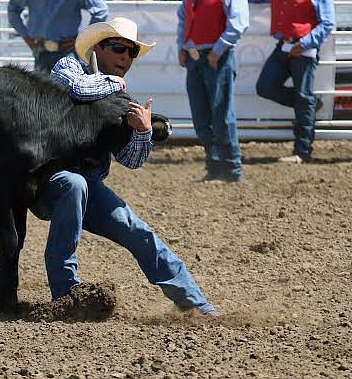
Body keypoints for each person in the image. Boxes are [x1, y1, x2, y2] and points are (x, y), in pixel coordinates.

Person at [33, 17, 217, 315]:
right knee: (75, 185)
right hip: (44, 177)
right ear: (97, 47)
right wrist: (116, 83)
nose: (126, 58)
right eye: (119, 49)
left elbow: (131, 160)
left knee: (137, 231)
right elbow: (77, 89)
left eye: (131, 53)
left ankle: (196, 305)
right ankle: (66, 295)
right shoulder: (68, 67)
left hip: (87, 182)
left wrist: (143, 131)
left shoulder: (118, 99)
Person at [246, 0, 334, 164]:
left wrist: (304, 43)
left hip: (302, 47)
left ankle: (303, 151)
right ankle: (309, 110)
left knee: (301, 96)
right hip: (285, 45)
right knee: (266, 87)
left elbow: (327, 23)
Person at [176, 0, 248, 183]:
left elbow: (238, 25)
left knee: (220, 113)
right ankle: (216, 165)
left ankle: (230, 167)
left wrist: (218, 50)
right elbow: (184, 19)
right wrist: (182, 46)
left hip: (216, 56)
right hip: (199, 55)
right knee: (201, 115)